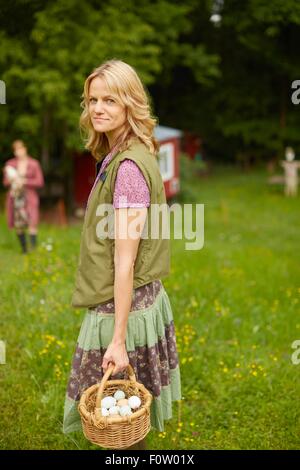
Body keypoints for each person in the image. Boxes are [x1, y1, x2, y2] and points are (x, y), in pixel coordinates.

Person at [63, 59, 182, 450]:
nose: (97, 108)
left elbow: (125, 260)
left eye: (109, 100)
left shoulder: (128, 168)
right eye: (92, 100)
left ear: (130, 104)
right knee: (122, 418)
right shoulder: (124, 152)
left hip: (123, 311)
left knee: (121, 422)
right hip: (134, 301)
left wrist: (117, 339)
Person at [2, 140, 44, 253]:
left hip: (29, 196)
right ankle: (24, 250)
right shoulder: (10, 164)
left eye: (20, 148)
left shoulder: (34, 163)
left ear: (25, 149)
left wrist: (25, 181)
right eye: (16, 149)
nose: (18, 151)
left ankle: (33, 249)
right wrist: (11, 179)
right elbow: (5, 182)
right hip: (15, 197)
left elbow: (40, 182)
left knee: (32, 221)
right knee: (18, 224)